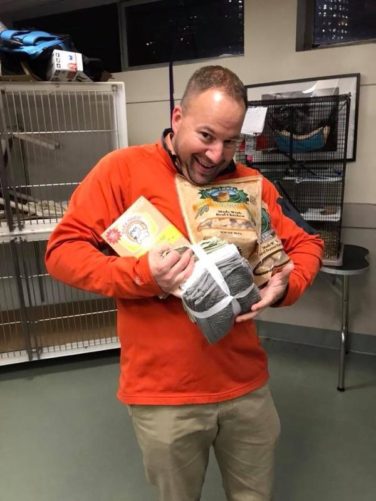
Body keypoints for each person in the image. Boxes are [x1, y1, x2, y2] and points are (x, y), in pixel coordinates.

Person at [45, 65, 323, 501]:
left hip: (245, 387)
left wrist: (285, 288)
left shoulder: (251, 185)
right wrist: (140, 275)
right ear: (177, 119)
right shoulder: (121, 170)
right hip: (163, 396)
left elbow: (307, 244)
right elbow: (61, 252)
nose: (217, 155)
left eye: (231, 141)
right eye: (206, 136)